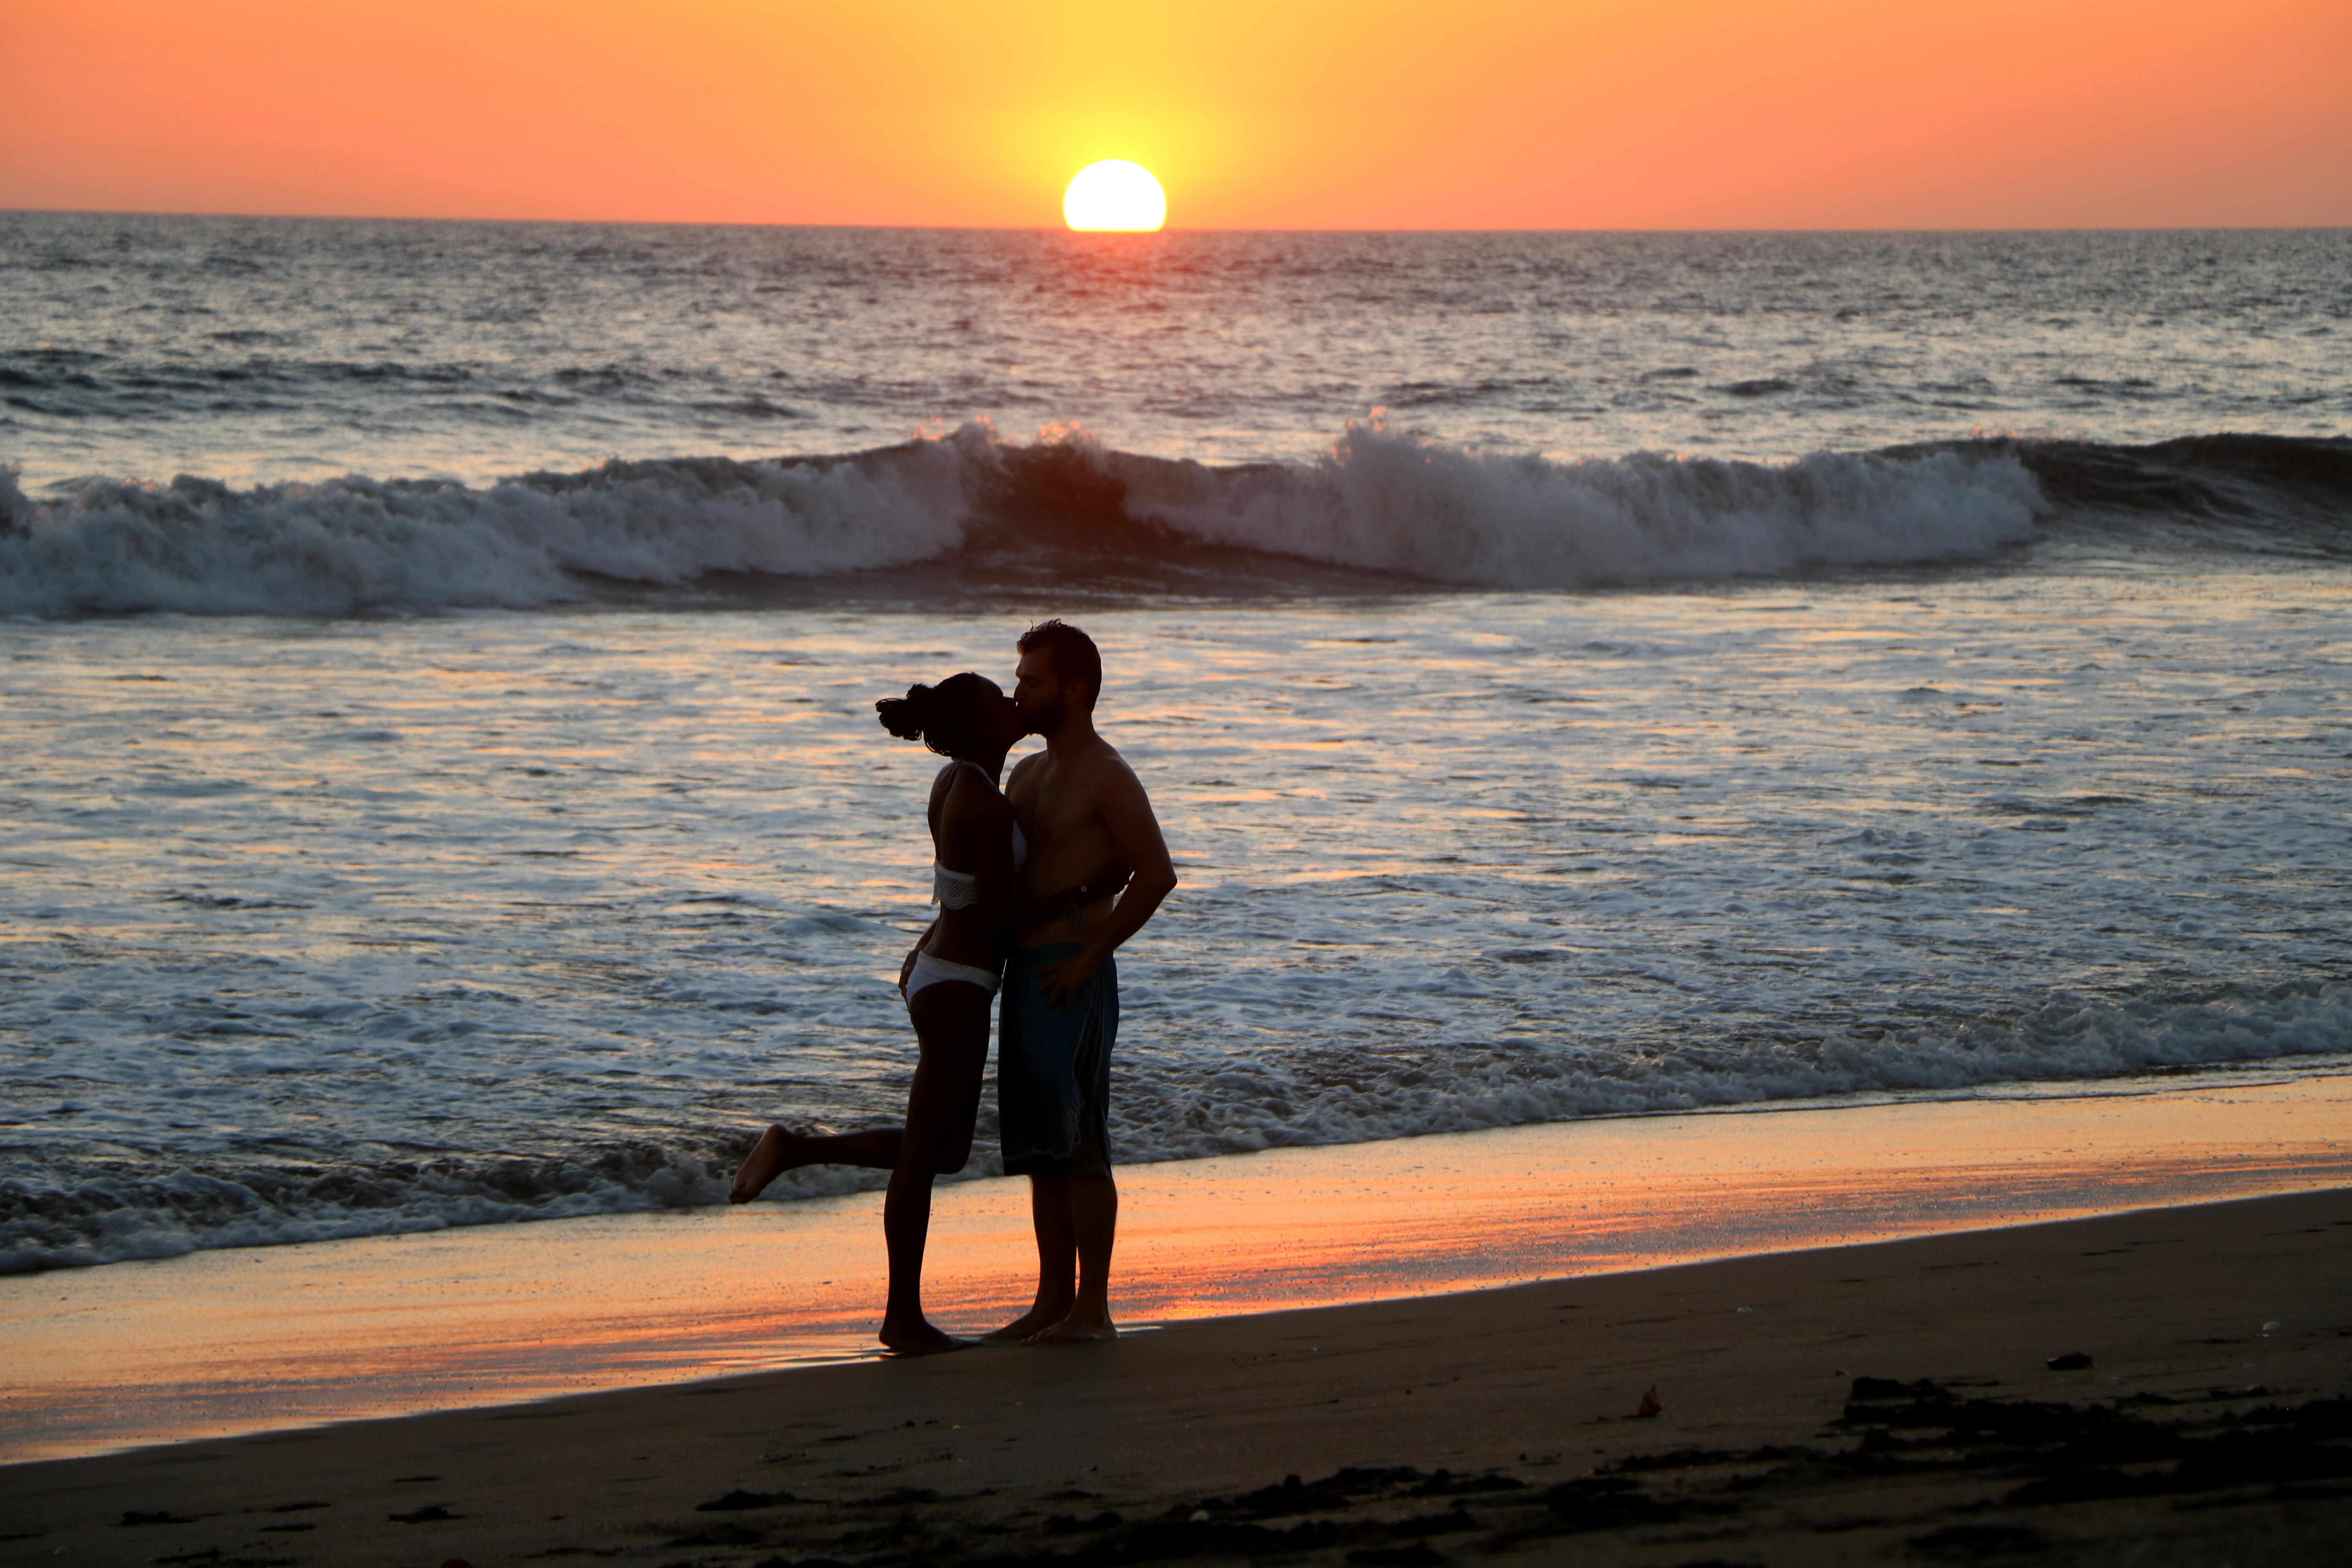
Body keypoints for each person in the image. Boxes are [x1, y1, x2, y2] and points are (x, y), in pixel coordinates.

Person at [726, 671, 1127, 1356]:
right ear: (984, 729)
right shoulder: (988, 804)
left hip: (941, 973)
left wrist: (922, 949)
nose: (1015, 705)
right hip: (960, 985)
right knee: (923, 1157)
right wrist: (1086, 892)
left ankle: (800, 1150)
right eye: (1002, 702)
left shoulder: (957, 784)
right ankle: (900, 1317)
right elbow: (997, 914)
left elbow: (956, 892)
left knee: (943, 1149)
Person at [985, 620, 1178, 1345]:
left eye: (1032, 681)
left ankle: (1093, 1309)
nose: (1019, 692)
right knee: (1041, 1151)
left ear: (1074, 690)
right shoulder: (1027, 774)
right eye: (1019, 678)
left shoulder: (1106, 772)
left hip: (1074, 972)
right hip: (1028, 972)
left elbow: (1155, 873)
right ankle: (1051, 1303)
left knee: (1081, 1143)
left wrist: (1090, 956)